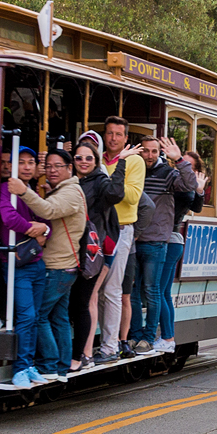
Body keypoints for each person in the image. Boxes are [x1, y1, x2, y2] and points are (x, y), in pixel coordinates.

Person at [9, 149, 85, 382]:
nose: (52, 170)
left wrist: (24, 191)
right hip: (64, 266)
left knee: (39, 316)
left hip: (57, 267)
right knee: (59, 317)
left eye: (58, 166)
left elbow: (49, 210)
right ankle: (61, 366)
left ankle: (49, 364)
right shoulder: (63, 189)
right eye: (48, 166)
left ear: (69, 169)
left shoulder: (71, 191)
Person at [128, 135, 197, 354]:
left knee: (152, 290)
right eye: (145, 151)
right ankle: (135, 335)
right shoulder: (135, 170)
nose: (149, 155)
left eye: (154, 151)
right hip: (133, 239)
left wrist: (179, 161)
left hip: (156, 241)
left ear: (160, 153)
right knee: (133, 292)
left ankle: (149, 338)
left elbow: (190, 185)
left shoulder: (168, 174)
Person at [0, 147, 50, 387]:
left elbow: (48, 219)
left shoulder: (34, 192)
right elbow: (8, 218)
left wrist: (44, 228)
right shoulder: (4, 190)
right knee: (26, 315)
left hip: (37, 263)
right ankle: (20, 368)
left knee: (34, 317)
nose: (27, 167)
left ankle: (28, 365)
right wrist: (34, 228)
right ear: (12, 167)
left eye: (31, 162)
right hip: (16, 264)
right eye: (22, 162)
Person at [71, 140, 124, 370]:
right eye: (78, 158)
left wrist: (120, 164)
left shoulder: (101, 181)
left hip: (92, 250)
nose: (83, 162)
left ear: (97, 161)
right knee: (78, 302)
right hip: (72, 248)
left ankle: (85, 353)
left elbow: (116, 194)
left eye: (88, 158)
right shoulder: (72, 181)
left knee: (89, 299)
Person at [94, 117, 144, 363]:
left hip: (121, 230)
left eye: (118, 134)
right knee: (98, 291)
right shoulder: (97, 158)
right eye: (109, 133)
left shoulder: (134, 160)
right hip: (97, 232)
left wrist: (112, 179)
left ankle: (109, 348)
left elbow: (133, 196)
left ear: (126, 138)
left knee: (112, 290)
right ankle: (104, 341)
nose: (113, 138)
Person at [159, 148, 205, 349]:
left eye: (187, 166)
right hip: (172, 241)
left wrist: (199, 191)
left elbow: (193, 204)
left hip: (170, 241)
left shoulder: (186, 191)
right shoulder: (176, 183)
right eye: (178, 163)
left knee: (157, 291)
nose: (180, 168)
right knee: (164, 292)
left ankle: (167, 337)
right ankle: (168, 337)